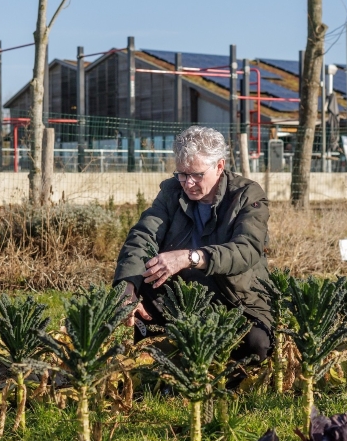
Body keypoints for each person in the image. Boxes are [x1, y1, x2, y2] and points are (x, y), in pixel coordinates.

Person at [113, 125, 272, 369]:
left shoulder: (246, 196)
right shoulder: (171, 192)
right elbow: (143, 236)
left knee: (257, 344)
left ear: (219, 166)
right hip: (184, 295)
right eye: (182, 174)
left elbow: (246, 250)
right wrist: (127, 285)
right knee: (147, 287)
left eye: (197, 175)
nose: (188, 183)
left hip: (235, 297)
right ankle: (156, 372)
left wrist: (191, 257)